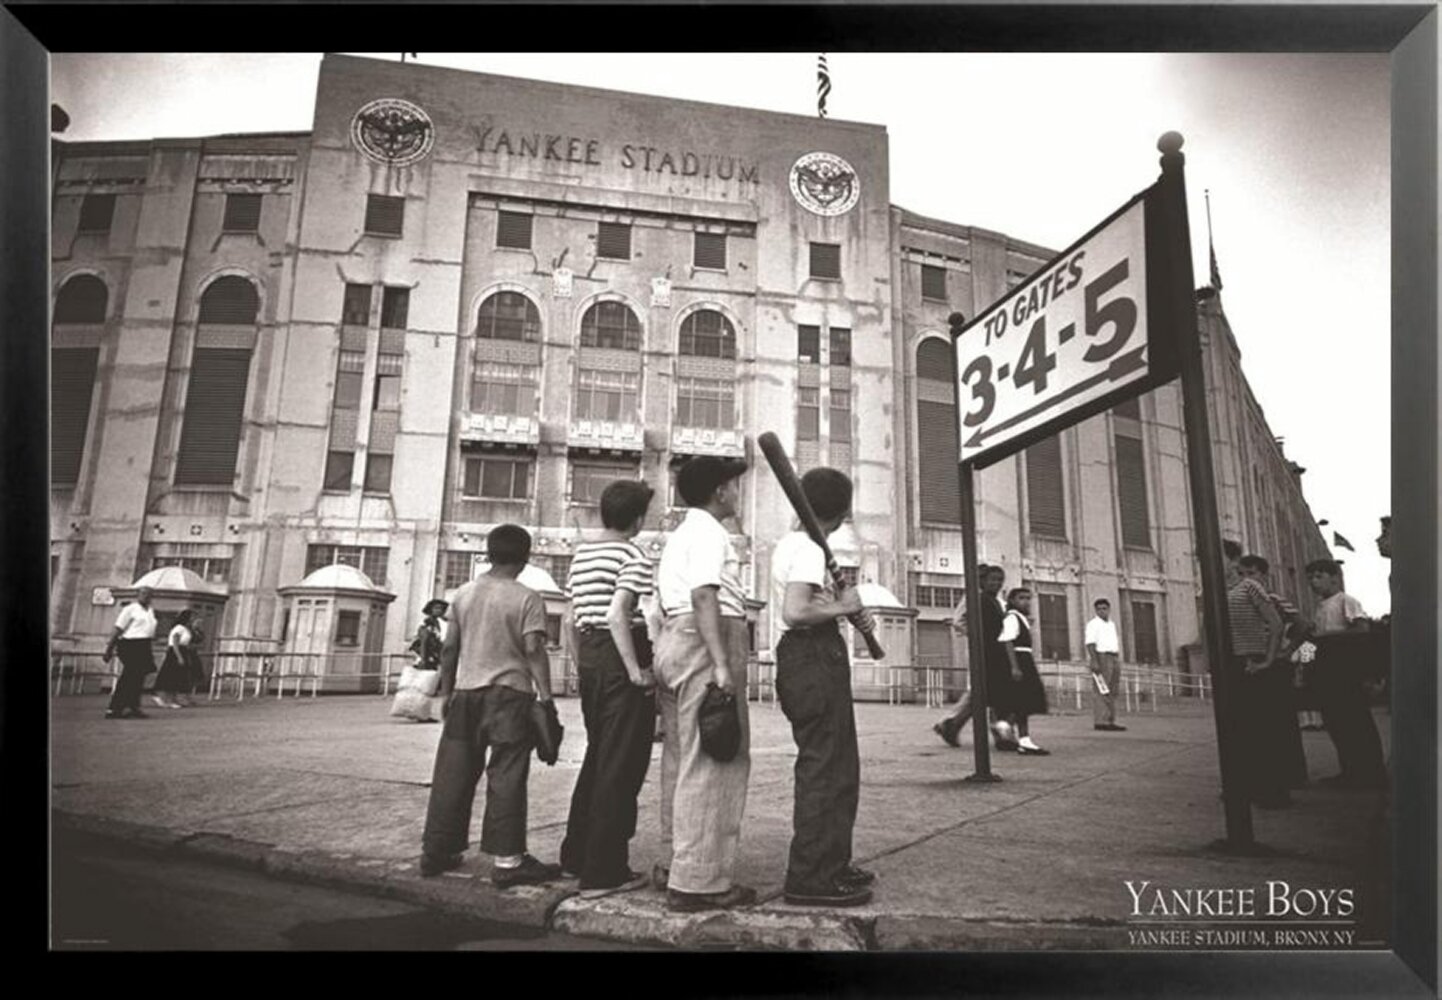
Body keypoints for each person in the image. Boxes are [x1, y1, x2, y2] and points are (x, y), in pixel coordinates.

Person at [418, 524, 563, 887]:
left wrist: (446, 692)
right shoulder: (527, 598)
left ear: (488, 553)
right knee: (507, 774)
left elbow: (450, 648)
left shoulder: (464, 594)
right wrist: (546, 697)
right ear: (526, 557)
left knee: (452, 774)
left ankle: (437, 851)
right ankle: (509, 862)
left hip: (466, 694)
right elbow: (533, 650)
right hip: (510, 696)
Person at [653, 456, 756, 912]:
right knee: (715, 759)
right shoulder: (710, 533)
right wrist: (720, 664)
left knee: (680, 757)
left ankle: (675, 861)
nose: (736, 494)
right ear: (719, 491)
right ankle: (699, 882)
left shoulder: (681, 535)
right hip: (706, 639)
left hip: (676, 638)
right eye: (733, 486)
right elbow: (704, 594)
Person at [772, 467, 876, 908]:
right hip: (812, 655)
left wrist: (840, 606)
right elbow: (796, 611)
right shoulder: (810, 548)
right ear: (844, 510)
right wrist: (842, 605)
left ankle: (831, 863)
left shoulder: (793, 544)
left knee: (837, 767)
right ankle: (812, 876)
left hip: (808, 657)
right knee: (826, 769)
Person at [559, 480, 659, 899]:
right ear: (637, 519)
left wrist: (586, 663)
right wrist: (635, 670)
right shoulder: (632, 553)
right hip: (622, 655)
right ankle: (604, 871)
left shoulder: (583, 554)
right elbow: (620, 613)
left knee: (599, 756)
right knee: (621, 764)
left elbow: (568, 619)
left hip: (592, 657)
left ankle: (576, 855)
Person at [1305, 558, 1387, 790]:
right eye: (1310, 578)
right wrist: (1301, 661)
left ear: (1334, 577)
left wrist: (1326, 638)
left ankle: (1372, 772)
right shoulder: (1320, 607)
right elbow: (1312, 641)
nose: (1313, 582)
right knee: (1337, 724)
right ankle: (1350, 771)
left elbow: (1362, 629)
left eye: (1319, 576)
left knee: (1356, 723)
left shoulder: (1345, 601)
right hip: (1326, 673)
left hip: (1345, 671)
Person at [1223, 543, 1289, 807]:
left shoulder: (1250, 586)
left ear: (1233, 561)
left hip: (1255, 660)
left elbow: (1276, 624)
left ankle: (1272, 790)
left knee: (1262, 729)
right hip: (1235, 663)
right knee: (1242, 729)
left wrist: (1270, 659)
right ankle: (1248, 785)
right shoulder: (1220, 590)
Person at [1236, 555, 1303, 804]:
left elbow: (1306, 628)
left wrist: (1290, 655)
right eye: (1242, 574)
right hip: (1263, 663)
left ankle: (1282, 784)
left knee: (1276, 725)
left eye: (1251, 573)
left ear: (1263, 575)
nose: (1246, 579)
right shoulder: (1247, 598)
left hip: (1275, 666)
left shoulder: (1272, 599)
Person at [932, 564, 1013, 750]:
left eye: (1000, 580)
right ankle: (999, 734)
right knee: (985, 691)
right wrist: (978, 636)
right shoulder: (974, 597)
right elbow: (959, 621)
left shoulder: (995, 600)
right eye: (992, 579)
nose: (997, 583)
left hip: (995, 650)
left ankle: (952, 724)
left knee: (986, 692)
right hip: (983, 650)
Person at [997, 587, 1050, 755]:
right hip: (1020, 660)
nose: (1026, 601)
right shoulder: (1012, 617)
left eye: (1028, 598)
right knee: (1026, 699)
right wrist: (1014, 667)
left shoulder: (1022, 618)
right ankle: (1004, 726)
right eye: (1021, 598)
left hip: (1025, 658)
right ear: (1012, 600)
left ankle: (1024, 739)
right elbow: (1007, 642)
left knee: (1024, 702)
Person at [102, 586, 158, 719]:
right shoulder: (130, 609)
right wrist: (109, 649)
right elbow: (118, 629)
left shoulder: (150, 611)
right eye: (143, 593)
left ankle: (133, 706)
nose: (146, 596)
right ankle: (114, 708)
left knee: (139, 678)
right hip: (130, 644)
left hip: (144, 645)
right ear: (137, 595)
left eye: (149, 594)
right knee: (129, 676)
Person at [391, 598, 449, 722]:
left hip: (432, 657)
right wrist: (423, 658)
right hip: (427, 657)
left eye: (440, 608)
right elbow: (424, 641)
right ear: (431, 611)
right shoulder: (427, 624)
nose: (439, 610)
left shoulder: (439, 623)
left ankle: (420, 712)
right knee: (424, 687)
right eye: (436, 608)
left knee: (427, 686)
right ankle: (420, 712)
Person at [1084, 598, 1125, 732]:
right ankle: (1100, 721)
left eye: (1104, 608)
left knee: (1113, 690)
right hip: (1101, 656)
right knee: (1102, 689)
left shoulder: (1111, 624)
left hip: (1113, 656)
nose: (1102, 611)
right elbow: (1090, 643)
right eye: (1099, 609)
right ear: (1096, 610)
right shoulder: (1093, 624)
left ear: (1109, 609)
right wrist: (1094, 661)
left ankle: (1110, 720)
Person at [151, 608, 199, 709]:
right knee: (172, 676)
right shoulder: (179, 628)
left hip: (183, 650)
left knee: (178, 677)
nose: (194, 619)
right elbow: (175, 642)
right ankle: (167, 699)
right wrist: (179, 656)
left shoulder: (186, 628)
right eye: (192, 617)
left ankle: (174, 699)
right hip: (175, 652)